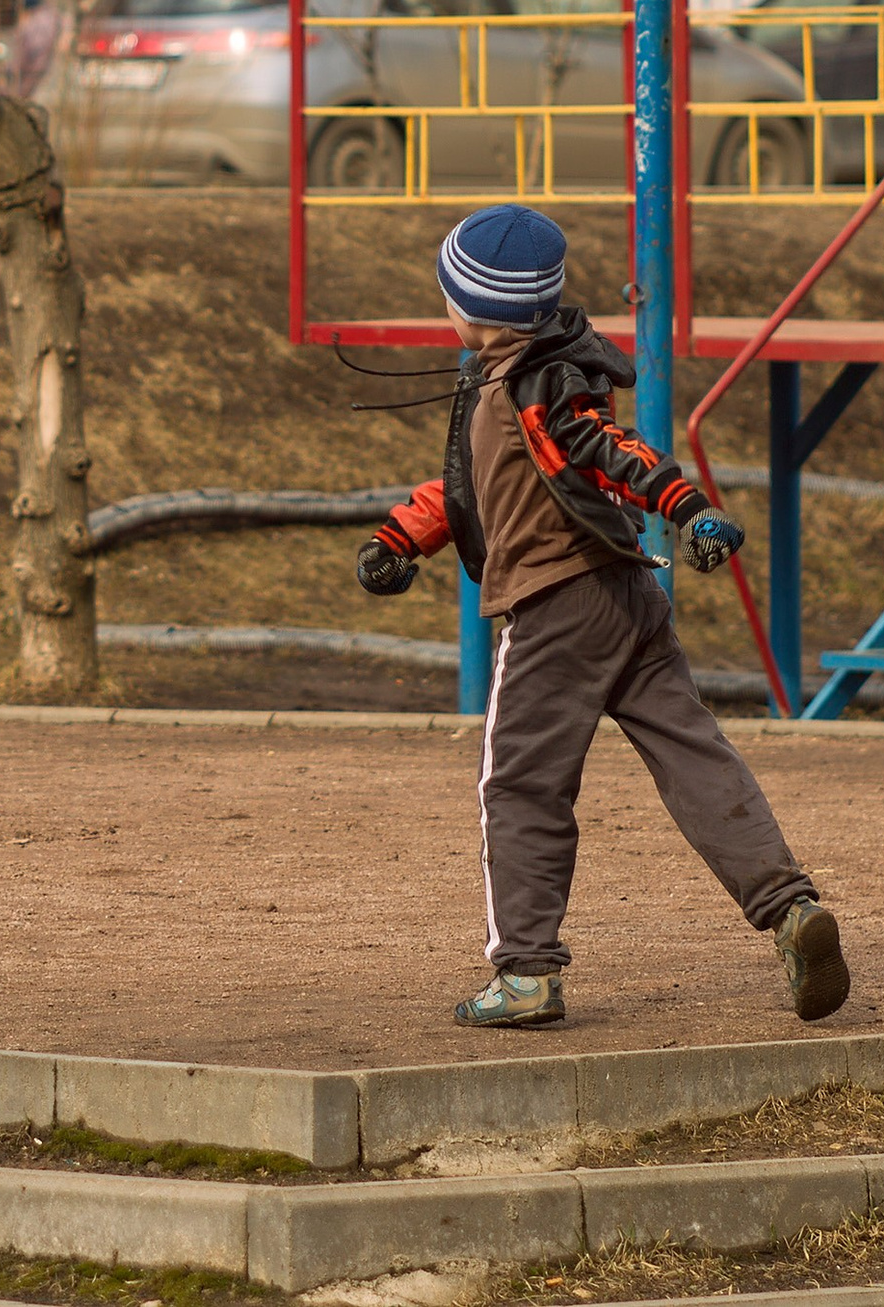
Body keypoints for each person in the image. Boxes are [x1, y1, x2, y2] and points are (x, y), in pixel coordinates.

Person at [354, 204, 850, 1029]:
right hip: (629, 601)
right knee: (696, 757)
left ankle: (525, 973)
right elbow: (482, 485)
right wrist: (403, 535)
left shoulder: (537, 387)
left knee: (517, 783)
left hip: (558, 609)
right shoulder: (521, 373)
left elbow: (611, 452)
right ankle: (789, 907)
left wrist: (687, 507)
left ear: (472, 304)